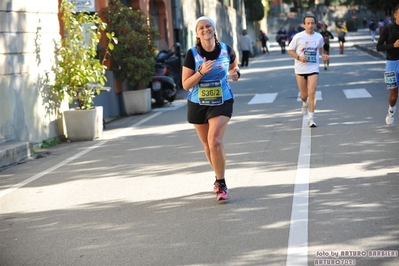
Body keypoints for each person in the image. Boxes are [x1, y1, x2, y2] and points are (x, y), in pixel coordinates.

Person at [181, 16, 240, 201]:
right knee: (207, 145)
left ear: (214, 29)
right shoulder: (192, 54)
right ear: (197, 34)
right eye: (201, 28)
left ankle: (221, 183)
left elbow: (234, 67)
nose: (205, 30)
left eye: (208, 26)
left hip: (222, 100)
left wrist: (236, 73)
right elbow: (185, 84)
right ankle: (218, 177)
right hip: (198, 102)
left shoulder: (226, 49)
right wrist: (200, 72)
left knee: (214, 140)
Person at [287, 15, 329, 127]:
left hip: (313, 68)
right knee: (304, 95)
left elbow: (320, 47)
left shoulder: (319, 37)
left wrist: (323, 54)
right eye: (308, 23)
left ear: (315, 24)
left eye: (312, 23)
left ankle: (311, 118)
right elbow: (290, 50)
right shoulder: (298, 37)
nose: (310, 25)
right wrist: (299, 58)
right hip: (300, 68)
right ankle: (304, 103)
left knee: (312, 92)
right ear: (304, 25)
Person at [376, 4, 399, 125]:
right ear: (395, 15)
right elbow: (379, 47)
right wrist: (393, 46)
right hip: (391, 64)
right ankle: (391, 110)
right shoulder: (388, 29)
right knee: (394, 95)